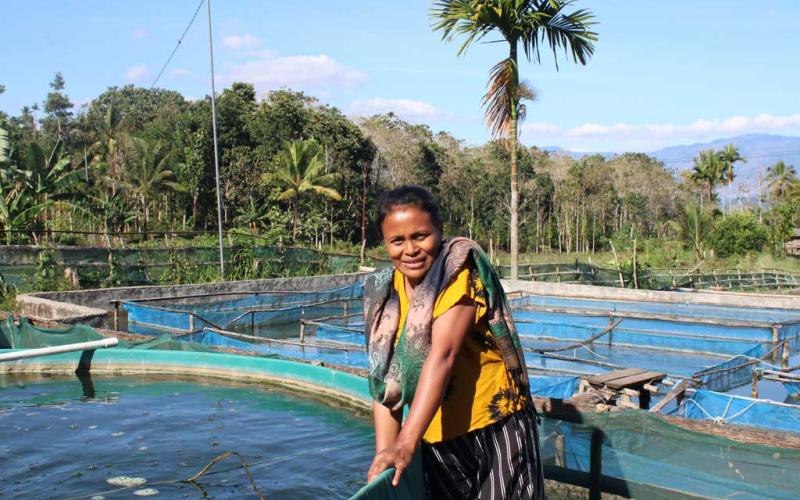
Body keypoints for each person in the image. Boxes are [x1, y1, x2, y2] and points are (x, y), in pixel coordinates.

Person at [364, 185, 544, 499]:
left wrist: (406, 444)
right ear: (385, 243)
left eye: (420, 236)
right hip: (437, 434)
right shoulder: (384, 294)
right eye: (397, 240)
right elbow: (385, 384)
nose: (410, 250)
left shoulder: (458, 270)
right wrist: (387, 460)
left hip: (495, 424)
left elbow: (442, 354)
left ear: (440, 231)